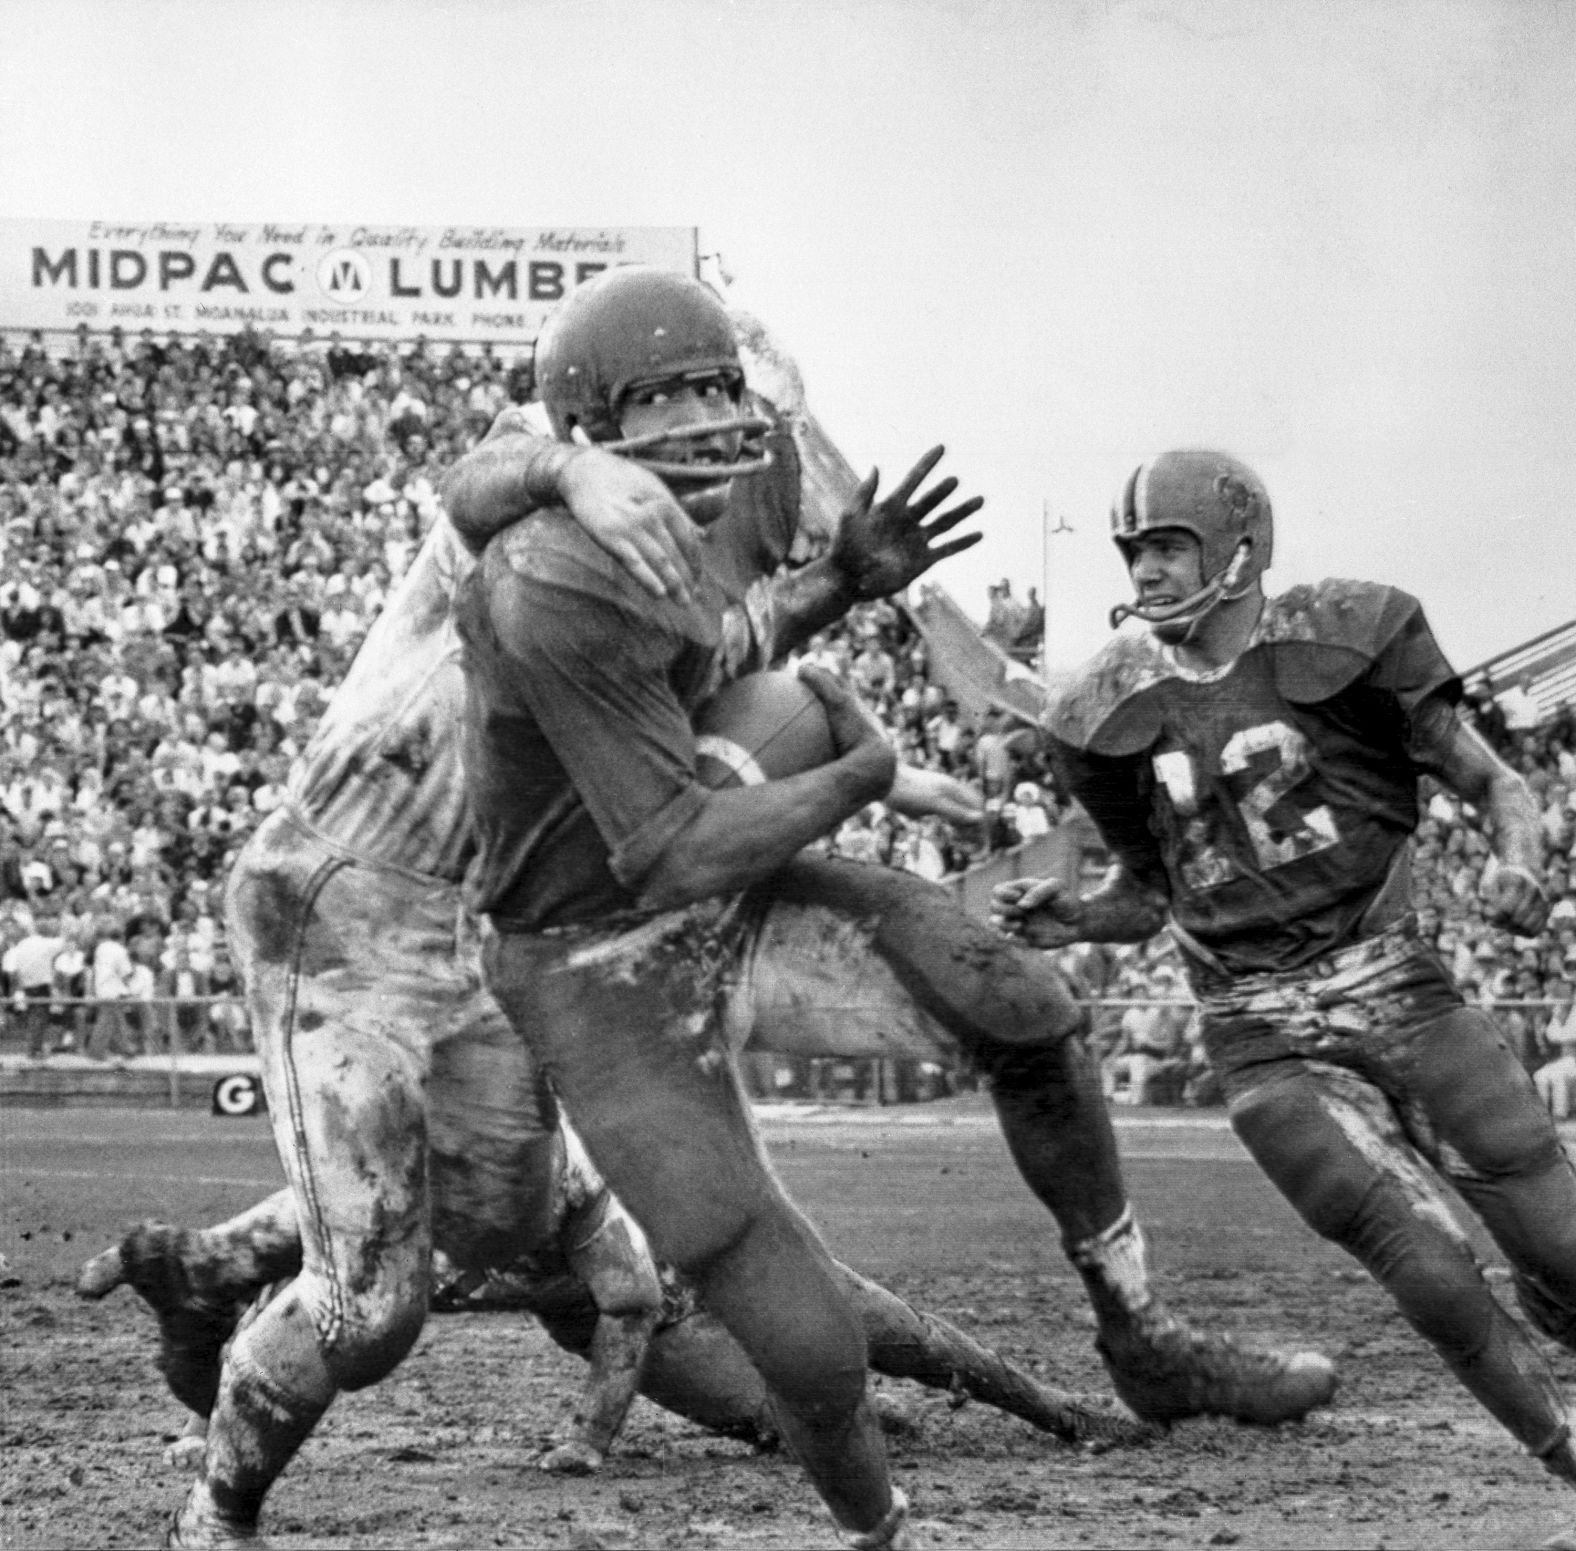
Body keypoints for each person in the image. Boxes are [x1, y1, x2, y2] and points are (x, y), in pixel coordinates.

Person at [451, 271, 1332, 1546]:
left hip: (713, 874)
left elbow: (717, 657)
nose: (710, 419)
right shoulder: (548, 566)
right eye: (668, 397)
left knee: (1027, 1010)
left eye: (720, 388)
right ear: (588, 434)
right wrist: (863, 773)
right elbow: (665, 852)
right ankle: (879, 1523)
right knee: (773, 1297)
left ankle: (1142, 1333)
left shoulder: (730, 506)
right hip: (590, 945)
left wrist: (841, 586)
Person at [993, 447, 1576, 1495]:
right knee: (1423, 1266)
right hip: (1252, 1022)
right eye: (1136, 553)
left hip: (1393, 979)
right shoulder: (1108, 710)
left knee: (1562, 1246)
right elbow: (1155, 888)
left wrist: (1518, 861)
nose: (1146, 574)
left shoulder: (1339, 635)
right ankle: (1562, 1454)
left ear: (1238, 545)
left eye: (1168, 547)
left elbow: (1495, 788)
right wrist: (1073, 916)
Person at [81, 1122, 1155, 1479]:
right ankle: (873, 1425)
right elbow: (259, 1293)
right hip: (629, 1316)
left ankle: (1064, 1414)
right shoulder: (366, 1199)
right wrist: (202, 1420)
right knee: (787, 1423)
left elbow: (632, 1298)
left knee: (912, 1340)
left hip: (693, 1269)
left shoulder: (559, 1178)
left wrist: (591, 1439)